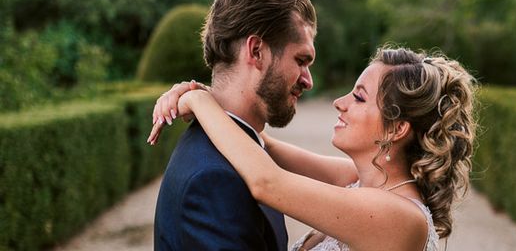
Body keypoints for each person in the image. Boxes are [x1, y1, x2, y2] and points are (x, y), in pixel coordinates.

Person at [149, 47, 477, 251]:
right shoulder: (364, 179)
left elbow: (267, 182)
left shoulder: (398, 217)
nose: (339, 102)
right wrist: (211, 100)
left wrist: (197, 100)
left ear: (396, 128)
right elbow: (262, 144)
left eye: (359, 97)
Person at [152, 0, 317, 251]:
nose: (308, 80)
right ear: (256, 51)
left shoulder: (239, 147)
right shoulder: (213, 180)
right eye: (301, 60)